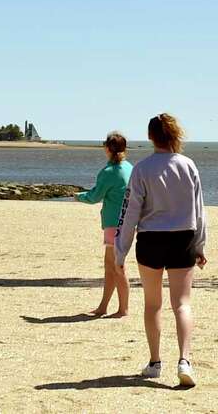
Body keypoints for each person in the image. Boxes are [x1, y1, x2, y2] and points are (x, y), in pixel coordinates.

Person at [114, 113, 207, 387]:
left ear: (150, 136)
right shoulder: (188, 165)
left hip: (151, 240)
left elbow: (130, 213)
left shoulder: (142, 169)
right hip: (183, 239)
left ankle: (155, 362)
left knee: (153, 304)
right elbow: (199, 211)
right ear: (175, 135)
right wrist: (200, 245)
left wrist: (121, 252)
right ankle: (185, 360)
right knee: (182, 304)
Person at [74, 131, 132, 317]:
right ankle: (104, 306)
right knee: (111, 266)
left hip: (114, 223)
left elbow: (94, 196)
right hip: (127, 221)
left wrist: (78, 197)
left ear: (107, 149)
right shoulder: (129, 168)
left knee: (117, 266)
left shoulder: (109, 172)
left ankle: (123, 309)